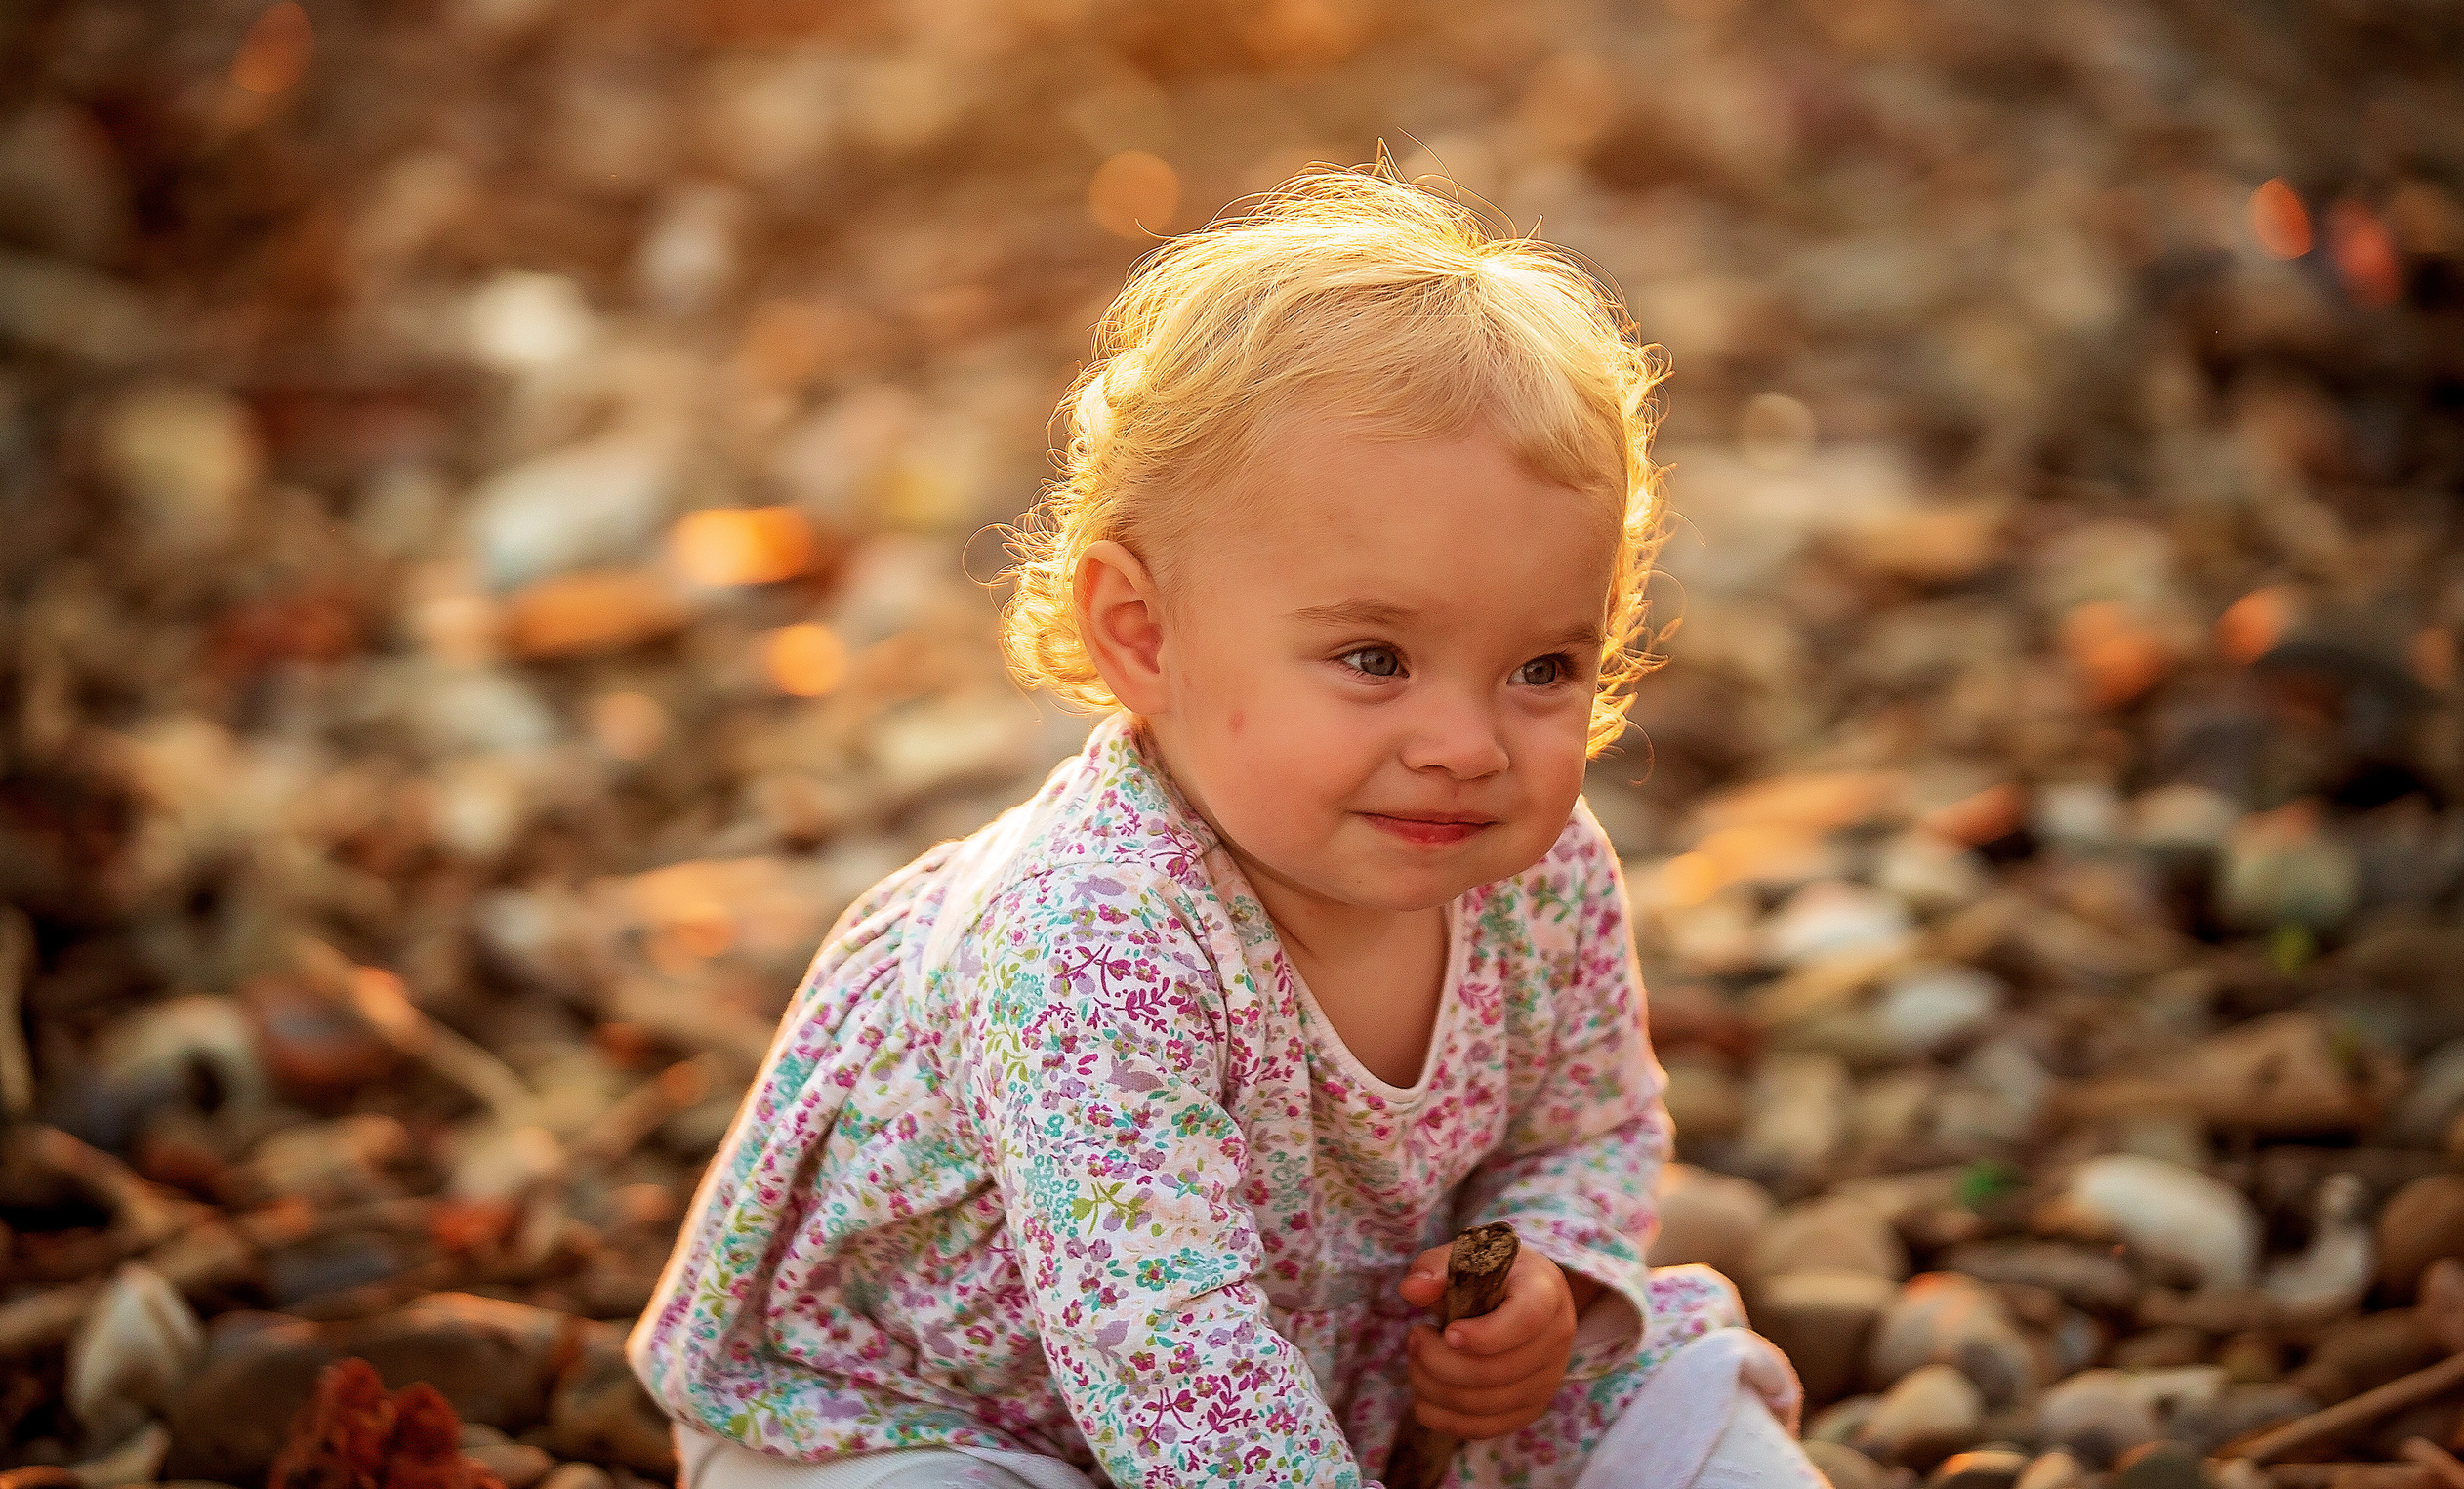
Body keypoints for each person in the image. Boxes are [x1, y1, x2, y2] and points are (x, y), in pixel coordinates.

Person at [629, 170, 1824, 1489]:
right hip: (937, 1417)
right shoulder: (1090, 944)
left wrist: (1549, 1280)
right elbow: (1167, 1350)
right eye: (1375, 658)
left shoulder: (1539, 878)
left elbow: (1587, 1129)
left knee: (1686, 1407)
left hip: (1348, 1387)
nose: (1467, 745)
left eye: (1542, 668)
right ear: (1144, 634)